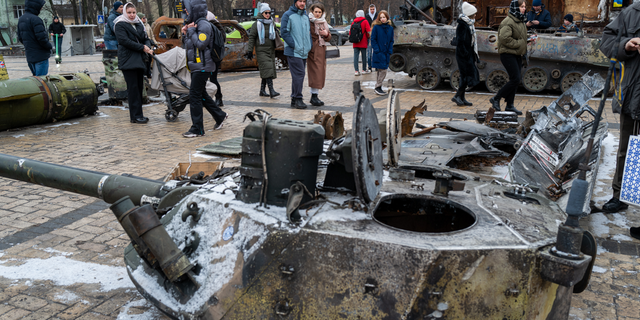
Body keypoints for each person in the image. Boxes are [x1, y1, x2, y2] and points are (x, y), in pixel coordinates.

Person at [599, 2, 640, 217]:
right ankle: (620, 196)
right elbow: (607, 43)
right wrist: (627, 45)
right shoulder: (632, 12)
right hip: (631, 95)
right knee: (626, 150)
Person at [181, 0, 228, 137]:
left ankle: (197, 129)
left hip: (203, 66)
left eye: (188, 9)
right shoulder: (195, 25)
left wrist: (190, 30)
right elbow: (190, 45)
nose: (186, 12)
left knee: (194, 96)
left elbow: (201, 44)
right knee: (201, 94)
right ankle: (219, 115)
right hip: (197, 66)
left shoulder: (204, 25)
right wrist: (186, 33)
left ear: (195, 10)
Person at [114, 2, 153, 124]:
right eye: (129, 12)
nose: (131, 15)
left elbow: (146, 38)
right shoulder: (120, 24)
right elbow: (124, 41)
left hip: (139, 58)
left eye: (133, 12)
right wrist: (142, 47)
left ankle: (139, 114)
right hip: (128, 59)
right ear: (125, 12)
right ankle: (135, 116)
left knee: (139, 87)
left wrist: (147, 46)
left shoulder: (139, 23)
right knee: (133, 88)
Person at [490, 0, 527, 115]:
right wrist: (520, 43)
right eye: (521, 6)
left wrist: (528, 39)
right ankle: (496, 98)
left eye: (525, 6)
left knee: (515, 80)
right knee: (515, 79)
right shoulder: (508, 21)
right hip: (507, 54)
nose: (524, 8)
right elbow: (504, 39)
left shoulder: (520, 21)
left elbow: (519, 37)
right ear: (515, 7)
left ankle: (509, 105)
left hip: (516, 53)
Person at [281, 0, 312, 109]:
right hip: (293, 51)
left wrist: (309, 45)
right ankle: (298, 98)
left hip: (303, 51)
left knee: (297, 76)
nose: (302, 3)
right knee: (300, 74)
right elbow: (284, 32)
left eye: (304, 1)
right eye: (300, 1)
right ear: (295, 2)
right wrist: (294, 45)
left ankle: (294, 99)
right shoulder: (287, 15)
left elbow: (308, 33)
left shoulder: (305, 16)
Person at [248, 4, 281, 99]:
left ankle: (262, 90)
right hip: (261, 50)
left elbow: (275, 35)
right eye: (266, 13)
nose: (268, 14)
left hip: (270, 50)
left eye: (269, 13)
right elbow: (251, 38)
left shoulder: (272, 23)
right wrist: (250, 50)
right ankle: (272, 91)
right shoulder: (256, 24)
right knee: (268, 68)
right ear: (262, 13)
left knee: (266, 70)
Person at [451, 2, 480, 106]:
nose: (475, 15)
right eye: (474, 14)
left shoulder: (469, 24)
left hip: (468, 54)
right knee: (465, 76)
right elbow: (461, 42)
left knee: (466, 75)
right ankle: (457, 96)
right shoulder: (463, 26)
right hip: (463, 55)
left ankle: (462, 97)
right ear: (470, 14)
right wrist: (466, 54)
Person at [17, 0, 52, 76]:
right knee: (41, 81)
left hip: (30, 55)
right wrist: (49, 46)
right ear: (35, 6)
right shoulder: (36, 19)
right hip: (40, 55)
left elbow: (20, 37)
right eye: (40, 6)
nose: (41, 8)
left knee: (35, 81)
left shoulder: (21, 19)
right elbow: (42, 38)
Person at [307, 3, 331, 106]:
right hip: (313, 49)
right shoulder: (309, 21)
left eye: (319, 12)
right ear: (312, 11)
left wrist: (326, 34)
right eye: (316, 12)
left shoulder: (323, 22)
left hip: (321, 49)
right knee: (315, 73)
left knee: (320, 72)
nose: (317, 14)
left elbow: (329, 37)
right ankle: (313, 96)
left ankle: (315, 95)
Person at [370, 10, 393, 96]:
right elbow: (373, 39)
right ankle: (378, 87)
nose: (382, 19)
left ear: (387, 17)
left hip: (386, 52)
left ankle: (378, 87)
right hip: (379, 52)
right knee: (383, 70)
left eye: (384, 17)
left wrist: (390, 50)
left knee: (381, 70)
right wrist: (376, 49)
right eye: (381, 17)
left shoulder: (390, 28)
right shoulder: (376, 27)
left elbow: (391, 40)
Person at [207, 11, 225, 106]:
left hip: (213, 57)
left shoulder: (214, 27)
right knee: (207, 79)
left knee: (213, 79)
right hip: (212, 57)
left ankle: (219, 97)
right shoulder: (214, 26)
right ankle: (208, 98)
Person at [351, 10, 371, 76]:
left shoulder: (353, 22)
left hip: (355, 42)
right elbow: (368, 31)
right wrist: (368, 37)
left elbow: (350, 33)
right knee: (364, 56)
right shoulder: (365, 21)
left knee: (355, 57)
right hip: (363, 41)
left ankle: (356, 71)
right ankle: (364, 70)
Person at [137, 12, 155, 77]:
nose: (145, 19)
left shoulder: (147, 25)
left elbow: (151, 35)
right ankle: (144, 73)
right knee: (145, 60)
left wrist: (154, 43)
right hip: (143, 44)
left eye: (145, 18)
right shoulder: (139, 26)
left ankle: (149, 73)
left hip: (149, 43)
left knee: (150, 59)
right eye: (143, 18)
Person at [365, 4, 378, 72]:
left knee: (375, 51)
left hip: (376, 36)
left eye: (373, 9)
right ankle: (369, 66)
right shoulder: (367, 16)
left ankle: (376, 66)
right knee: (369, 52)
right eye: (371, 9)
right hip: (369, 36)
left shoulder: (377, 15)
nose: (372, 10)